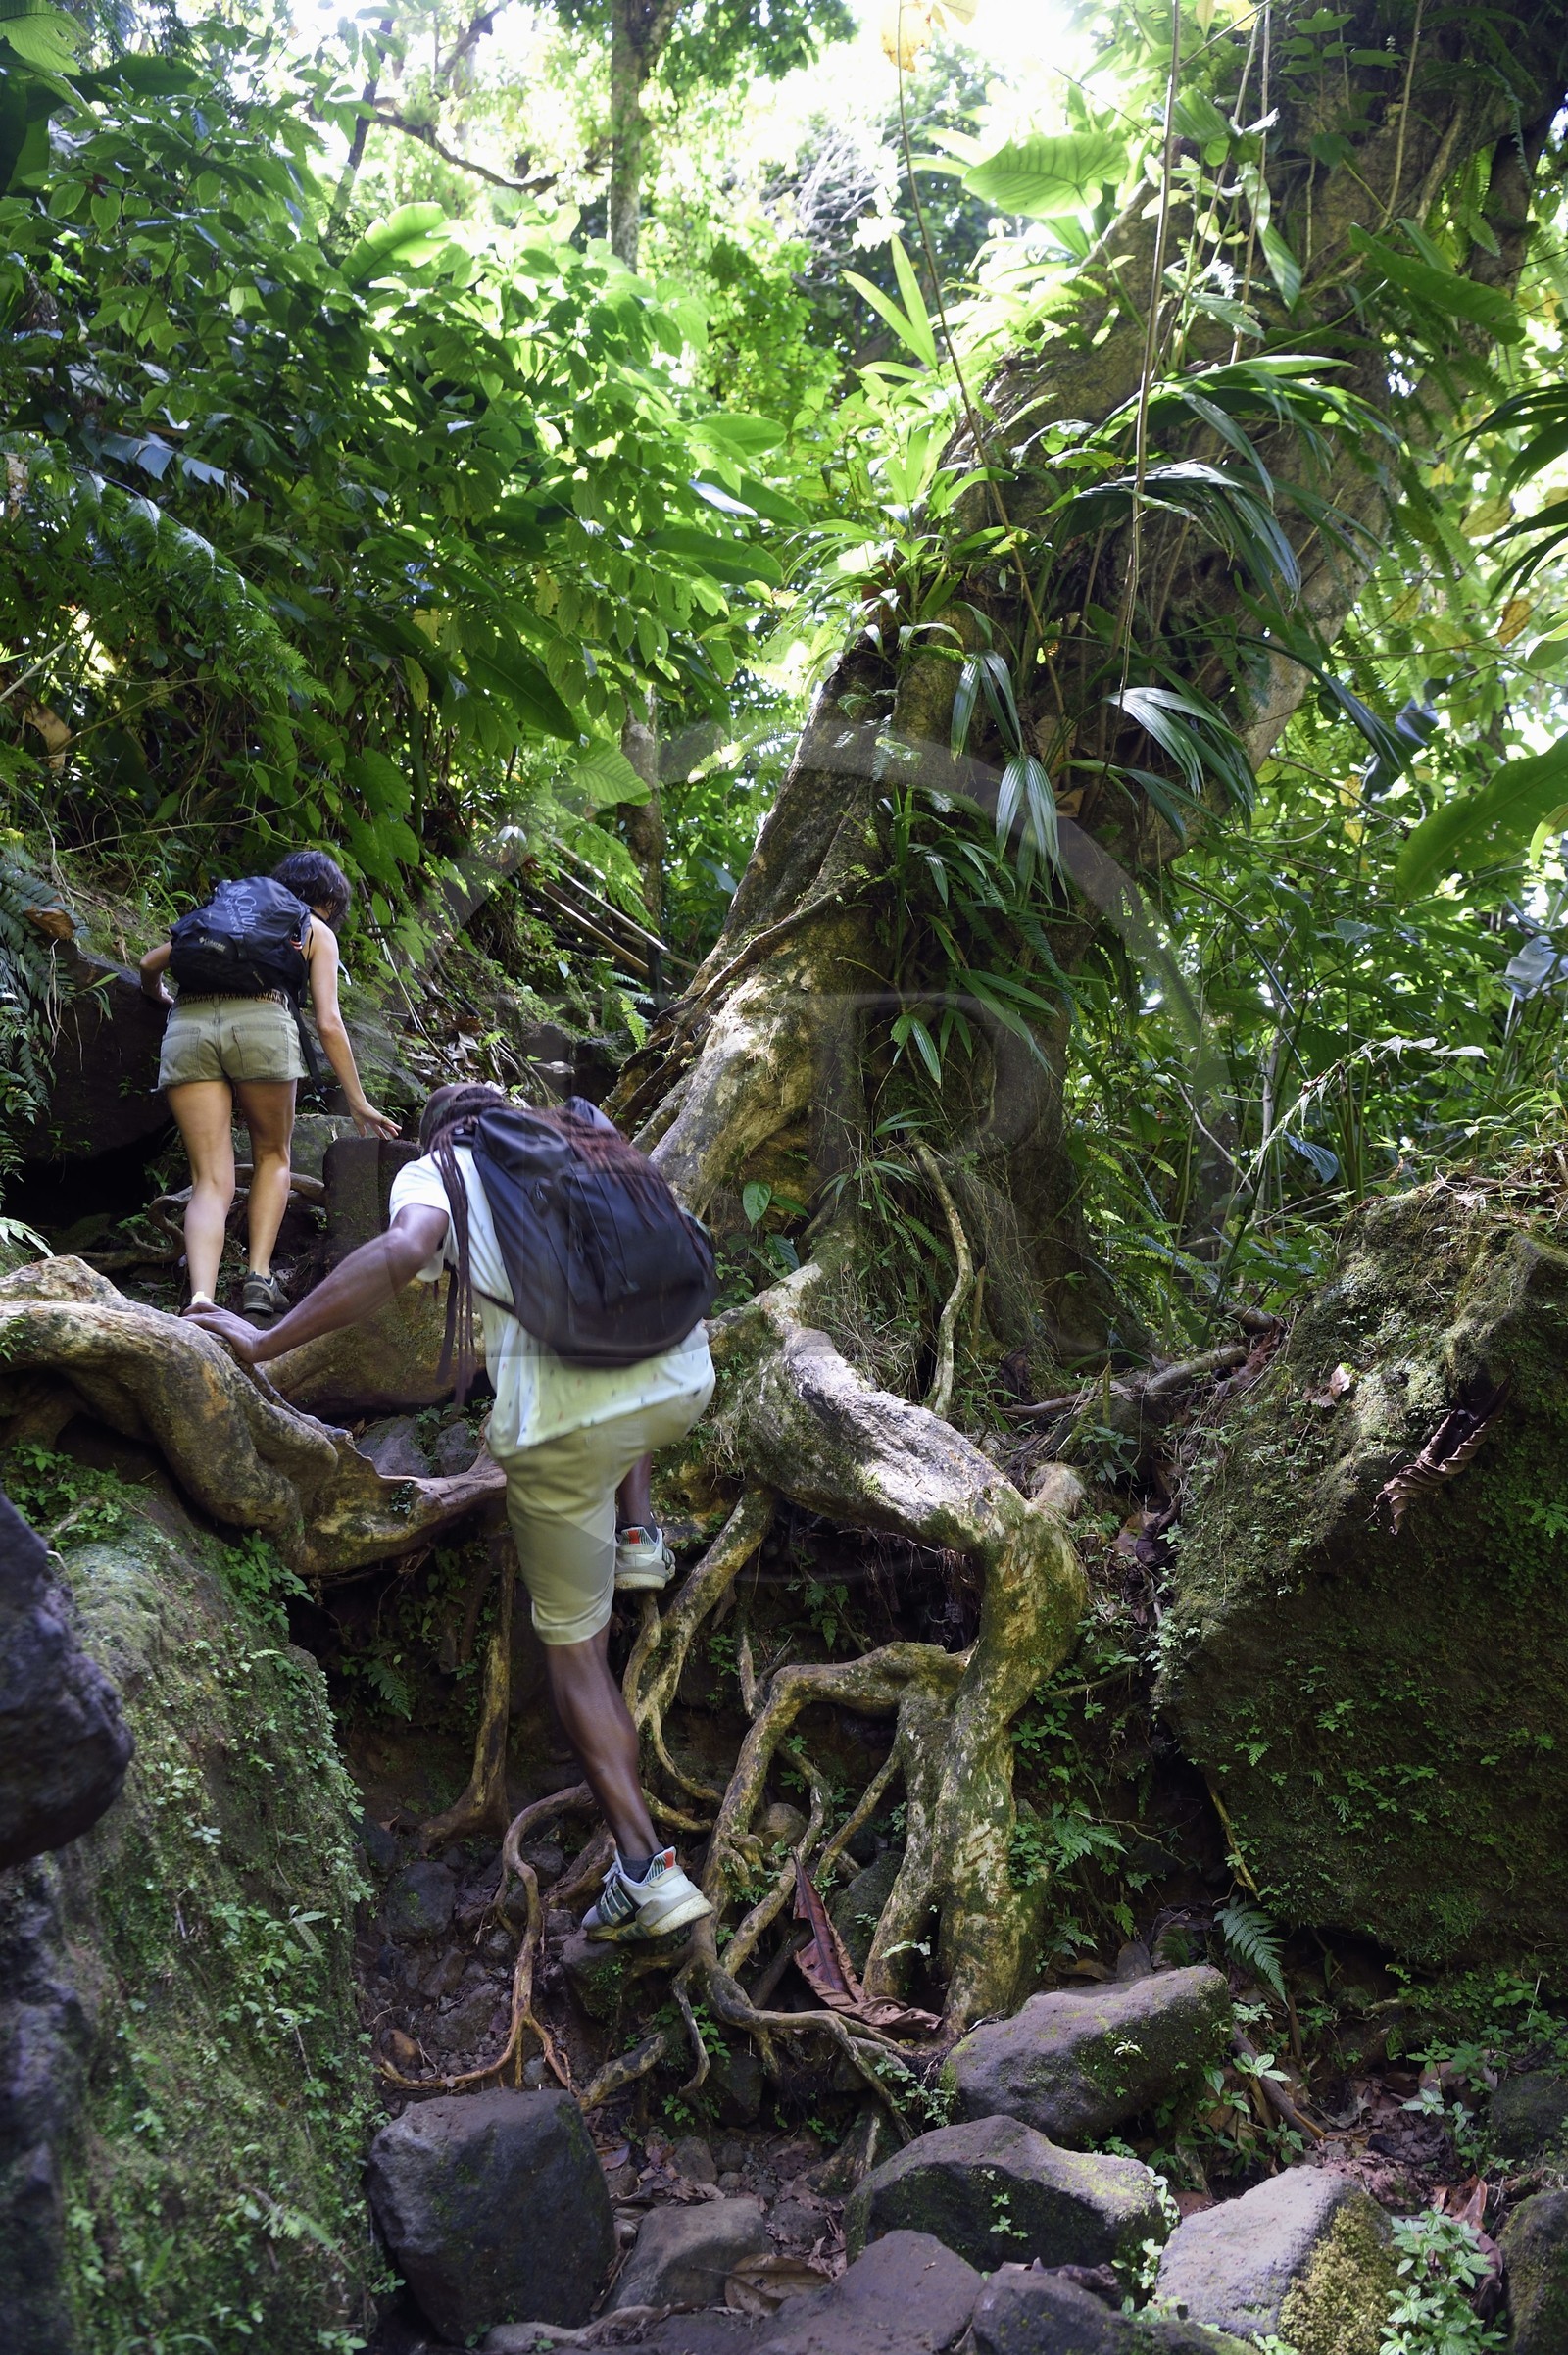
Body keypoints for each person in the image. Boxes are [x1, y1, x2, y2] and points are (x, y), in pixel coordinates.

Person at [189, 1080, 715, 1945]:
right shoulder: (585, 1140)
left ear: (442, 1131)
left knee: (576, 1653)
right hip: (685, 1379)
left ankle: (646, 1871)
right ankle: (639, 1535)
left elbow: (408, 1251)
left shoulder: (441, 1168)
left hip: (565, 1428)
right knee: (621, 1378)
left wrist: (264, 1338)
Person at [140, 851, 399, 1323]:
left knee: (210, 1181)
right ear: (327, 900)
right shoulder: (312, 928)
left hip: (189, 1027)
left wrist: (157, 994)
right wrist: (357, 1101)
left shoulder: (223, 914)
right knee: (273, 1157)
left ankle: (201, 1300)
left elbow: (151, 961)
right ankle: (259, 1279)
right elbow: (329, 1022)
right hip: (262, 1024)